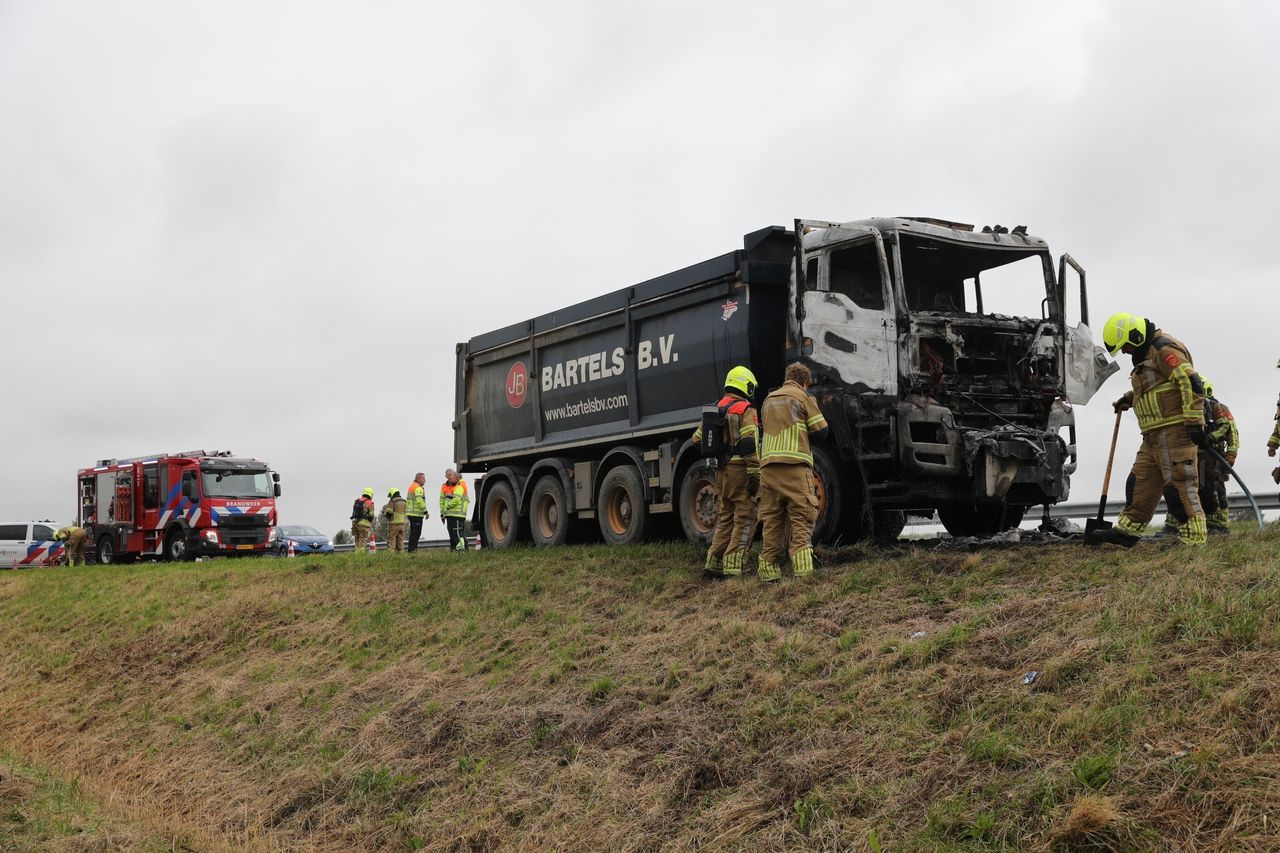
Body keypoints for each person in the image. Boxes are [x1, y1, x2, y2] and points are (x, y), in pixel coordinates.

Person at [1088, 313, 1208, 548]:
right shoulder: (1147, 356)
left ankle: (1194, 537)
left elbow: (1190, 382)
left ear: (1136, 335)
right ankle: (1128, 531)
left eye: (1127, 347)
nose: (1126, 352)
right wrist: (1129, 398)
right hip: (1152, 435)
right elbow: (1156, 387)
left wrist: (1194, 420)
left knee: (1179, 486)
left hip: (1174, 431)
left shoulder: (1164, 350)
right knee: (1139, 482)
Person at [756, 362, 829, 581]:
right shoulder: (801, 397)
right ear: (804, 382)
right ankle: (805, 575)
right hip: (794, 467)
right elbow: (822, 431)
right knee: (802, 517)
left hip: (768, 470)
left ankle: (769, 573)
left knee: (772, 521)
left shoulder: (768, 401)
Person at [690, 365, 760, 578]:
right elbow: (749, 443)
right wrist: (755, 473)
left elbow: (696, 441)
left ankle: (713, 563)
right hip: (740, 470)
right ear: (746, 385)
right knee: (745, 517)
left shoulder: (715, 408)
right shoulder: (745, 409)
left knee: (726, 516)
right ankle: (733, 566)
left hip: (721, 472)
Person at [1159, 377, 1238, 536]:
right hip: (1188, 454)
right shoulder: (1183, 408)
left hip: (1212, 455)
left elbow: (1230, 430)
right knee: (1179, 486)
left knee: (1213, 488)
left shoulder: (1217, 407)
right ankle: (1175, 524)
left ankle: (1218, 524)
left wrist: (1230, 452)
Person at [440, 469, 470, 551]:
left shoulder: (459, 485)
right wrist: (442, 513)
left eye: (452, 475)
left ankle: (461, 550)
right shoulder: (444, 486)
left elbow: (456, 499)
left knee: (457, 533)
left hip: (456, 513)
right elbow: (442, 501)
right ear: (446, 476)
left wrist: (447, 507)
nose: (451, 477)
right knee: (454, 533)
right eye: (449, 475)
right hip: (450, 513)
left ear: (455, 476)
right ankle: (456, 549)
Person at [405, 472, 429, 552]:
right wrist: (425, 511)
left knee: (413, 533)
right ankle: (413, 550)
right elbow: (419, 500)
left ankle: (411, 550)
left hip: (411, 513)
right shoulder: (418, 487)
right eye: (423, 479)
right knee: (416, 534)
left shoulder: (412, 486)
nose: (425, 481)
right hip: (416, 514)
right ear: (419, 478)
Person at [382, 488, 408, 553]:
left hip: (394, 524)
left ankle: (391, 554)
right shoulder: (404, 501)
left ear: (392, 494)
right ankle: (401, 554)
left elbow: (389, 512)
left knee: (391, 538)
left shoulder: (393, 501)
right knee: (400, 539)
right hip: (402, 524)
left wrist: (385, 514)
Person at [350, 487, 375, 552]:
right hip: (364, 524)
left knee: (357, 539)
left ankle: (356, 554)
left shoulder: (357, 501)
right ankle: (360, 554)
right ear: (370, 494)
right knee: (362, 540)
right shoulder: (370, 502)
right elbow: (371, 515)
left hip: (355, 523)